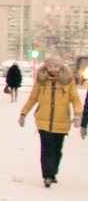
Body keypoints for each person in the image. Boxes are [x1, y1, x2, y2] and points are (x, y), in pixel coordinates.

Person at [18, 55, 84, 188]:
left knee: (57, 149)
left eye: (56, 66)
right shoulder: (42, 80)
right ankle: (47, 175)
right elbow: (33, 98)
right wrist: (23, 113)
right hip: (43, 120)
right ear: (46, 67)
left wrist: (77, 115)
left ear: (60, 66)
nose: (53, 69)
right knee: (46, 148)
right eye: (50, 66)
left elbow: (75, 99)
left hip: (62, 121)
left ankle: (53, 173)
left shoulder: (68, 80)